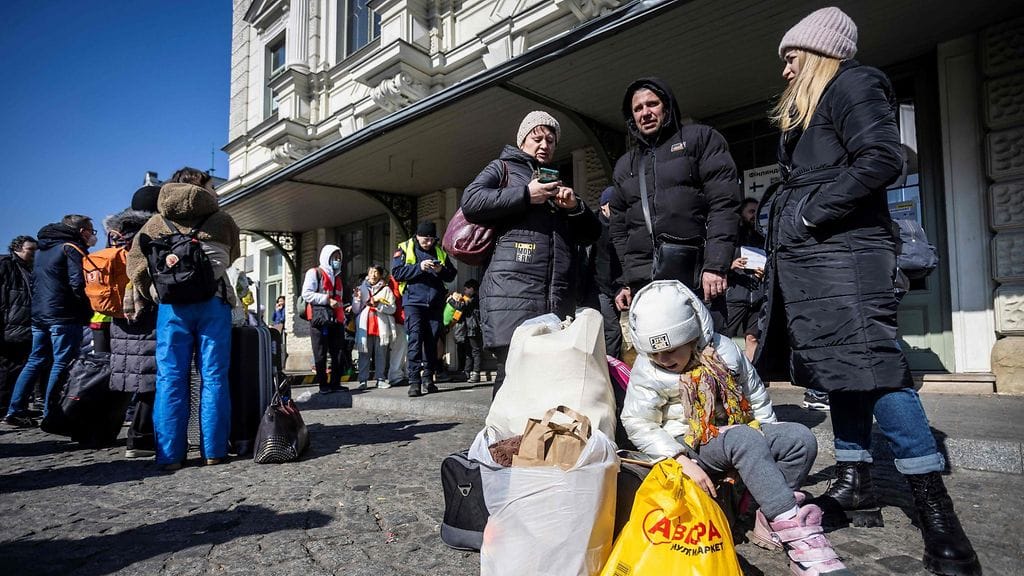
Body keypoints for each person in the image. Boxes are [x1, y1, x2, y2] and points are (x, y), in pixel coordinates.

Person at [756, 8, 980, 576]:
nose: (784, 69)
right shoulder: (807, 114)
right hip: (817, 263)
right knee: (839, 373)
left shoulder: (854, 83)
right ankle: (855, 481)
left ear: (818, 52)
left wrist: (809, 214)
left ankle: (936, 511)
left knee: (878, 372)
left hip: (846, 258)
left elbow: (882, 158)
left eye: (791, 57)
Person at [621, 281, 851, 576]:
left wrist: (767, 430)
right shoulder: (647, 369)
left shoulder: (724, 350)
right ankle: (800, 539)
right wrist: (677, 458)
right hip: (688, 441)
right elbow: (637, 422)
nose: (663, 360)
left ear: (692, 336)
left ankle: (768, 518)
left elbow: (753, 391)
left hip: (734, 431)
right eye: (655, 354)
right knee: (742, 438)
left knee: (799, 438)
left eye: (670, 350)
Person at [461, 110, 601, 396]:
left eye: (551, 140)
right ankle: (499, 439)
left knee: (546, 380)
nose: (544, 145)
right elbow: (471, 200)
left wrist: (575, 207)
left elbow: (592, 233)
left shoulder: (556, 182)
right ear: (522, 140)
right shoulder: (504, 167)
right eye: (537, 138)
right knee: (513, 376)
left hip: (553, 297)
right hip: (511, 294)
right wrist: (526, 194)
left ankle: (536, 441)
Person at [126, 167, 240, 470]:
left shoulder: (155, 222)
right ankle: (214, 450)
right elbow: (233, 255)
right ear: (203, 187)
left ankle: (169, 454)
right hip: (213, 302)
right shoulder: (221, 220)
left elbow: (136, 264)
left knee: (170, 378)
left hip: (171, 308)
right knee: (214, 377)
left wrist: (154, 290)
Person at [609, 77, 741, 330]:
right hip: (644, 284)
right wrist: (627, 279)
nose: (645, 113)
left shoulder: (700, 139)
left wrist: (716, 264)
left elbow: (724, 204)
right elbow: (618, 228)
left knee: (706, 358)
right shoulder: (625, 165)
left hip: (697, 277)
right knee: (657, 358)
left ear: (667, 107)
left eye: (652, 104)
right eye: (638, 109)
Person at [4, 216, 96, 427]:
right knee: (62, 362)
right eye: (91, 231)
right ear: (82, 231)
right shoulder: (70, 248)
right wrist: (86, 309)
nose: (93, 236)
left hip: (40, 314)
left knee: (35, 360)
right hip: (63, 314)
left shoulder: (42, 250)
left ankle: (15, 409)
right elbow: (77, 283)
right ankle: (51, 411)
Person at [108, 187, 160, 459]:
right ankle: (140, 438)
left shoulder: (116, 234)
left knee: (132, 377)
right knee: (151, 378)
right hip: (146, 311)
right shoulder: (150, 232)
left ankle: (116, 430)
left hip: (120, 315)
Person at [390, 221, 457, 397]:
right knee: (415, 340)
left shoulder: (439, 251)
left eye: (431, 239)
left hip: (435, 303)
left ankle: (428, 379)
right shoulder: (405, 248)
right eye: (425, 239)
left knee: (432, 341)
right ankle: (414, 382)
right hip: (413, 302)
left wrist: (440, 269)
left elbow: (451, 275)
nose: (428, 243)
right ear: (417, 236)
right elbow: (396, 273)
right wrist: (419, 267)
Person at [301, 244, 351, 394]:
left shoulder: (338, 277)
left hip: (336, 319)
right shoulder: (314, 273)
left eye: (339, 258)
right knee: (320, 353)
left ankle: (335, 383)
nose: (337, 260)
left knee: (338, 352)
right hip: (320, 319)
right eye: (335, 257)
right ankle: (323, 384)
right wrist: (327, 300)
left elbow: (340, 298)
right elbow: (307, 294)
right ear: (327, 257)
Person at [724, 198, 766, 362]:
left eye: (757, 212)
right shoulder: (731, 239)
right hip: (735, 296)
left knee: (753, 338)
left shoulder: (761, 238)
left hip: (756, 295)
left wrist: (763, 271)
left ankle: (752, 375)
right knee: (726, 337)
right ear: (741, 213)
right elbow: (716, 264)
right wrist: (731, 265)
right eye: (751, 211)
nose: (754, 215)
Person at [0, 235, 38, 415]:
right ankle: (4, 407)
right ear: (18, 248)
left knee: (20, 367)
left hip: (23, 323)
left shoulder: (28, 267)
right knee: (8, 368)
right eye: (30, 250)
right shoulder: (7, 265)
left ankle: (16, 406)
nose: (34, 253)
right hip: (11, 324)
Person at [352, 264, 396, 390]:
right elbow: (356, 310)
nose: (373, 275)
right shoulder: (360, 289)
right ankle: (363, 380)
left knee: (381, 354)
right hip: (365, 327)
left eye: (376, 272)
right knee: (364, 354)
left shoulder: (386, 289)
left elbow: (392, 309)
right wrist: (356, 299)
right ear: (367, 273)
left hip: (380, 327)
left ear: (380, 275)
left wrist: (379, 305)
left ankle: (380, 379)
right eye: (371, 272)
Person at [446, 279, 483, 383]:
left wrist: (451, 300)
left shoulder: (475, 299)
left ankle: (476, 372)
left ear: (471, 289)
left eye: (466, 289)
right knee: (468, 351)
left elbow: (461, 306)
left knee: (475, 350)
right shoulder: (470, 299)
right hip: (468, 328)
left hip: (473, 327)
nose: (465, 291)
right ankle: (466, 372)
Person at [385, 273, 407, 389]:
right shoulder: (396, 278)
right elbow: (396, 299)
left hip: (402, 317)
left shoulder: (395, 278)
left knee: (403, 349)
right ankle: (396, 376)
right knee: (400, 349)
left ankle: (401, 374)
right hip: (400, 317)